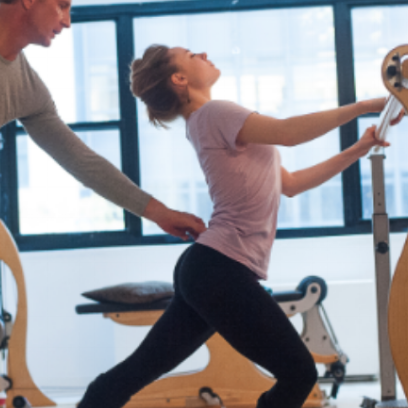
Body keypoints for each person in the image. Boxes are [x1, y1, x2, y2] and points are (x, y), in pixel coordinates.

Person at [77, 44, 400, 408]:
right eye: (190, 53)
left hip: (208, 268)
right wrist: (361, 108)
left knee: (137, 372)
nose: (202, 52)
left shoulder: (208, 121)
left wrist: (360, 147)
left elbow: (290, 184)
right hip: (219, 269)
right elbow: (289, 133)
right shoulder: (215, 113)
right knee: (298, 373)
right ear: (180, 79)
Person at [0, 0, 206, 240]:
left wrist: (161, 213)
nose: (67, 22)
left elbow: (82, 161)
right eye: (62, 5)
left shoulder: (28, 91)